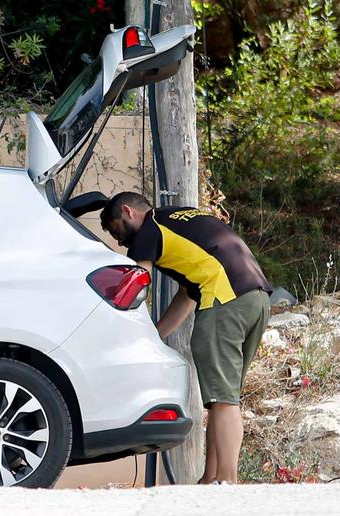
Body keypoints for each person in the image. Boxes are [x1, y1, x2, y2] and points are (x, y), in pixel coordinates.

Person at [98, 192, 271, 484]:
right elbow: (187, 296)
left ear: (128, 212)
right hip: (256, 300)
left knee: (223, 400)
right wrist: (153, 337)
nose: (120, 242)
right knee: (221, 400)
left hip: (224, 301)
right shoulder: (179, 219)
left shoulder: (148, 229)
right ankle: (210, 479)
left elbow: (138, 279)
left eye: (117, 231)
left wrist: (119, 323)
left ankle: (228, 483)